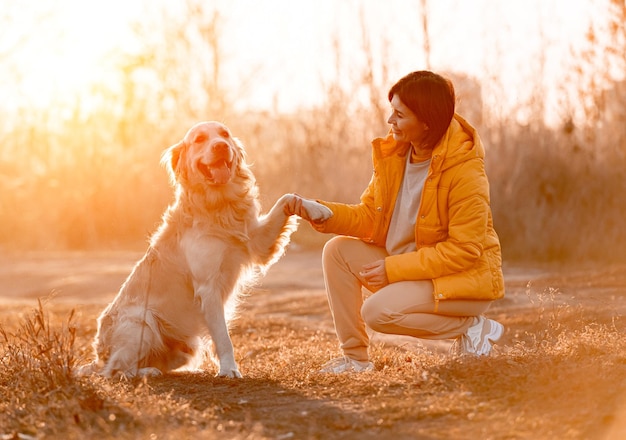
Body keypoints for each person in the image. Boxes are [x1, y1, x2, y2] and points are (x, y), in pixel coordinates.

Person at [285, 70, 505, 374]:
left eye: (400, 115)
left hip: (460, 282)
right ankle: (356, 361)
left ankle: (472, 327)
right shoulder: (396, 157)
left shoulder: (465, 172)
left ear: (426, 122)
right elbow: (370, 217)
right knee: (337, 251)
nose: (390, 121)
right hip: (412, 270)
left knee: (377, 313)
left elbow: (464, 251)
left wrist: (392, 269)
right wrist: (325, 212)